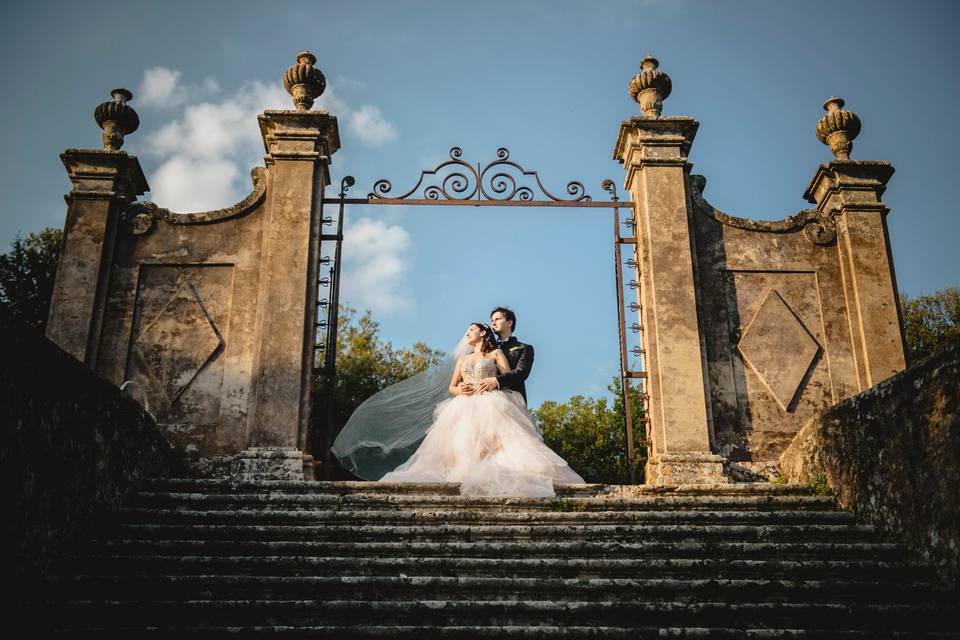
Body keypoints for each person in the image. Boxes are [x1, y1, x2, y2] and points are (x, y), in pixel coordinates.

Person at [377, 321, 584, 496]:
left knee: (497, 444)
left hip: (491, 402)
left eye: (471, 330)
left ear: (483, 333)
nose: (467, 334)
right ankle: (466, 477)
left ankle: (493, 476)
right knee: (462, 443)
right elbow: (452, 386)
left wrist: (494, 382)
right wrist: (461, 389)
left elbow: (507, 378)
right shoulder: (463, 359)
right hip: (464, 405)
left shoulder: (495, 354)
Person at [476, 306, 533, 403]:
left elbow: (521, 373)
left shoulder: (524, 348)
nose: (493, 323)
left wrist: (497, 380)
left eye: (497, 319)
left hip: (511, 402)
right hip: (482, 401)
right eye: (492, 320)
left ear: (509, 323)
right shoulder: (485, 350)